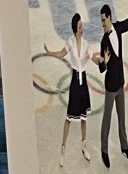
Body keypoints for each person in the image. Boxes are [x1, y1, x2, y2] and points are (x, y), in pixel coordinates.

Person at [97, 0, 128, 167]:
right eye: (101, 21)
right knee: (107, 119)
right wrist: (104, 62)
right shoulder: (104, 42)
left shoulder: (117, 28)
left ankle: (124, 147)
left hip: (120, 84)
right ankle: (104, 150)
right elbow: (101, 68)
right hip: (110, 87)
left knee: (122, 118)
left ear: (109, 18)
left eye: (104, 20)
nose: (102, 24)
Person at [40, 13, 94, 156]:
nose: (82, 28)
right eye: (80, 26)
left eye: (82, 26)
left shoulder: (86, 44)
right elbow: (61, 53)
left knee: (83, 117)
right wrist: (49, 53)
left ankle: (84, 145)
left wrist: (101, 60)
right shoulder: (70, 41)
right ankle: (63, 146)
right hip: (75, 82)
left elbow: (93, 57)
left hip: (83, 82)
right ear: (75, 28)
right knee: (69, 117)